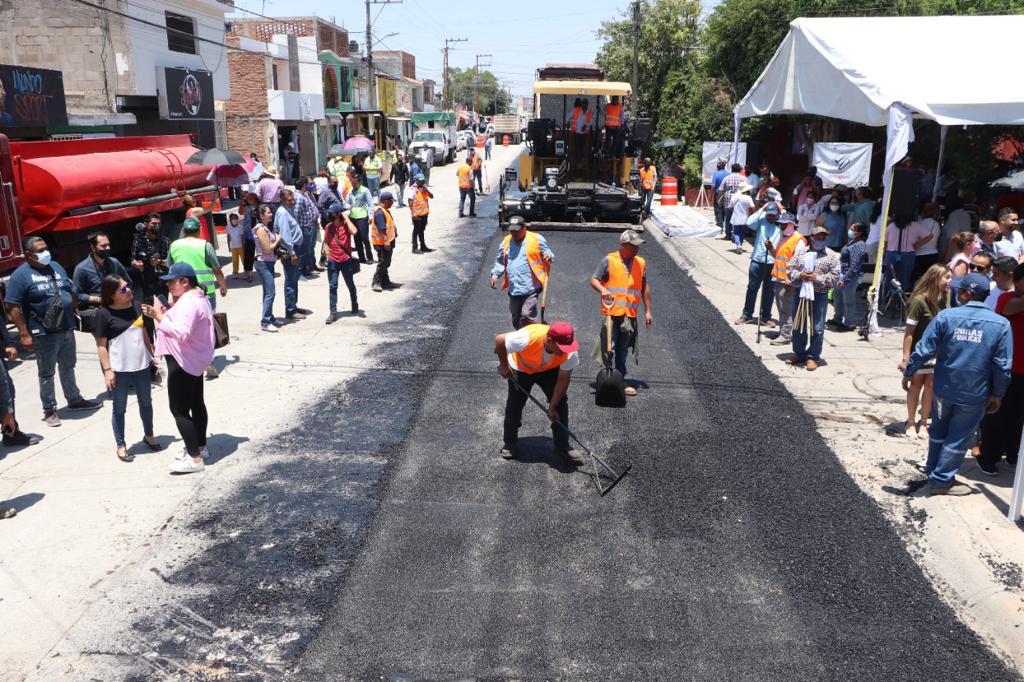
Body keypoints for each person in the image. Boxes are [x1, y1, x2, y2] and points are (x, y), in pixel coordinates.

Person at [903, 273, 1012, 494]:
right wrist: (998, 393)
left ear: (965, 294)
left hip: (944, 388)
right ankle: (941, 481)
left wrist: (909, 372)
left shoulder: (946, 317)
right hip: (975, 393)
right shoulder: (1001, 325)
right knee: (959, 437)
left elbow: (923, 349)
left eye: (959, 290)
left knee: (940, 431)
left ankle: (935, 472)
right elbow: (1002, 365)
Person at [6, 236, 101, 426]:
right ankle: (49, 409)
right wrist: (24, 334)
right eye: (40, 251)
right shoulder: (21, 275)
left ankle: (74, 400)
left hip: (66, 326)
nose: (45, 253)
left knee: (68, 366)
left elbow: (69, 289)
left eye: (46, 249)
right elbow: (13, 306)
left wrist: (73, 307)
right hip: (43, 332)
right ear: (28, 255)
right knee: (46, 373)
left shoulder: (55, 267)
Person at [142, 263, 216, 475]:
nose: (168, 285)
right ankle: (201, 447)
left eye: (172, 281)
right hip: (194, 359)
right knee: (196, 403)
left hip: (184, 361)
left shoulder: (189, 303)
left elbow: (182, 333)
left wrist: (158, 316)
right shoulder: (196, 298)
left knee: (179, 410)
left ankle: (194, 459)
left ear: (185, 282)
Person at [93, 275, 163, 462]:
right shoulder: (103, 314)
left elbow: (144, 333)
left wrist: (152, 354)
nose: (129, 290)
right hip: (119, 370)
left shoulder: (137, 307)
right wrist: (108, 371)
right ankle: (121, 445)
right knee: (119, 408)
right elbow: (101, 346)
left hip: (141, 366)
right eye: (124, 289)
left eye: (129, 286)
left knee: (146, 403)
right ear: (112, 295)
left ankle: (149, 436)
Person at [495, 321, 583, 463]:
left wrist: (552, 406)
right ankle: (510, 443)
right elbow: (500, 340)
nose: (565, 350)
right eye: (561, 347)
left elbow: (563, 380)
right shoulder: (525, 338)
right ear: (549, 340)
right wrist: (504, 366)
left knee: (560, 403)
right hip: (521, 367)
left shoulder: (569, 352)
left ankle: (562, 445)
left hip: (548, 370)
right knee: (515, 404)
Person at [589, 230, 653, 396]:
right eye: (634, 246)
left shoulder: (640, 262)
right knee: (609, 346)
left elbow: (644, 287)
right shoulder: (609, 260)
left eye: (638, 245)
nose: (637, 248)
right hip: (612, 312)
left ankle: (620, 379)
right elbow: (594, 279)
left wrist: (648, 311)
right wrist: (603, 290)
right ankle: (607, 379)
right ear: (623, 245)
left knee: (623, 349)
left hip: (629, 314)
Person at [980, 263, 1024, 474]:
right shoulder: (1007, 298)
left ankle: (1014, 454)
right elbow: (1010, 309)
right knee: (998, 415)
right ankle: (988, 457)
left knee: (1018, 418)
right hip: (1007, 370)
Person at [899, 264, 951, 438]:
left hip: (938, 353)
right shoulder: (918, 301)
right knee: (916, 386)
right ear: (936, 278)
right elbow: (909, 333)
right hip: (919, 353)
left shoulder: (945, 299)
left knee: (930, 387)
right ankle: (911, 422)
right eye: (947, 277)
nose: (950, 281)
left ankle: (923, 423)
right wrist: (906, 358)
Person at [786, 225, 841, 371]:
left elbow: (835, 276)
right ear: (812, 237)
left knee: (817, 327)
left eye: (824, 237)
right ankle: (799, 353)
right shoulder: (801, 252)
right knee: (799, 324)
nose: (821, 239)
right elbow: (789, 269)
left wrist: (817, 278)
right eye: (818, 237)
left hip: (819, 294)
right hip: (801, 293)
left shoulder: (831, 255)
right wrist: (800, 275)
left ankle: (813, 357)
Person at [490, 216, 554, 329]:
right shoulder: (506, 242)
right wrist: (495, 274)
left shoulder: (536, 239)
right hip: (514, 288)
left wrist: (548, 256)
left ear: (524, 228)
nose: (514, 233)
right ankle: (521, 336)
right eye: (512, 230)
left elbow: (548, 252)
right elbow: (500, 260)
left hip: (532, 287)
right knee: (516, 317)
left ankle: (529, 340)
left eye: (517, 230)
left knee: (527, 315)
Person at [735, 201, 783, 326]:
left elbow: (793, 224)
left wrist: (782, 209)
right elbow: (749, 222)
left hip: (773, 262)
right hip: (757, 260)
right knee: (752, 288)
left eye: (774, 215)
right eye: (770, 214)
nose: (772, 217)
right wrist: (762, 208)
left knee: (769, 291)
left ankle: (766, 317)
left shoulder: (781, 225)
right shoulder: (761, 221)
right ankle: (747, 315)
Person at [72, 231, 131, 331]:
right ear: (93, 247)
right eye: (103, 246)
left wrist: (123, 294)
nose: (107, 248)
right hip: (98, 311)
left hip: (119, 306)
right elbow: (76, 295)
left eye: (108, 245)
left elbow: (128, 282)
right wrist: (97, 299)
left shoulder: (114, 262)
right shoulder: (82, 269)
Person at [273, 189, 311, 320]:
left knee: (294, 279)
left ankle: (293, 306)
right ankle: (290, 310)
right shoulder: (282, 213)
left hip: (295, 248)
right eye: (290, 200)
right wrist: (292, 252)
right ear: (283, 200)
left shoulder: (288, 210)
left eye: (293, 199)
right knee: (290, 280)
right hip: (290, 250)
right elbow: (285, 235)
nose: (292, 201)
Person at [769, 212, 805, 346]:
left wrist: (792, 280)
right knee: (780, 307)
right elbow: (778, 256)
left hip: (788, 281)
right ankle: (782, 331)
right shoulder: (783, 237)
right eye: (780, 224)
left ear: (791, 225)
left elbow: (800, 263)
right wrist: (771, 249)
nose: (781, 226)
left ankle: (785, 335)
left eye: (784, 224)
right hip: (778, 278)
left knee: (787, 309)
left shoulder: (798, 240)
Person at [829, 221, 869, 332]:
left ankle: (849, 323)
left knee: (848, 300)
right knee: (837, 296)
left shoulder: (859, 245)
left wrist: (845, 279)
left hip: (850, 277)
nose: (850, 230)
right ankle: (838, 318)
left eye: (853, 229)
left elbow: (855, 266)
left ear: (859, 232)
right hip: (842, 274)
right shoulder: (852, 242)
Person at [324, 203, 360, 324]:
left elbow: (354, 231)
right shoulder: (328, 227)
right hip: (333, 261)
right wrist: (327, 254)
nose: (330, 215)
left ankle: (354, 303)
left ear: (338, 214)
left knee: (350, 284)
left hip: (345, 260)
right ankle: (333, 312)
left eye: (332, 213)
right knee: (333, 286)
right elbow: (326, 242)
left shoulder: (346, 225)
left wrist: (346, 218)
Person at [252, 204, 283, 332]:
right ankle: (265, 322)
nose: (271, 214)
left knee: (267, 292)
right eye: (268, 212)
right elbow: (268, 248)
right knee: (271, 292)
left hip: (268, 262)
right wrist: (278, 239)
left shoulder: (265, 228)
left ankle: (270, 317)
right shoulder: (260, 229)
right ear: (261, 215)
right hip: (263, 263)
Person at [370, 191, 397, 293]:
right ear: (385, 201)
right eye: (391, 201)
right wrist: (386, 241)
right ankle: (376, 282)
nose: (392, 203)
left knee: (386, 262)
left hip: (386, 242)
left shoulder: (385, 210)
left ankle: (385, 282)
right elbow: (382, 229)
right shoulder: (380, 213)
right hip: (382, 243)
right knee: (383, 262)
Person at [295, 179, 322, 278]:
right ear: (303, 185)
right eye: (308, 184)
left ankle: (310, 266)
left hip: (310, 225)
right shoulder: (298, 197)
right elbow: (296, 214)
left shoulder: (305, 194)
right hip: (304, 227)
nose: (309, 185)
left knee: (309, 248)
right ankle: (303, 270)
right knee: (304, 251)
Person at [347, 170, 375, 263]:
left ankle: (370, 257)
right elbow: (347, 202)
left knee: (364, 238)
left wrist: (371, 216)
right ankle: (361, 258)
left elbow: (371, 203)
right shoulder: (351, 192)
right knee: (357, 239)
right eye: (352, 183)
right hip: (353, 217)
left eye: (355, 183)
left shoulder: (365, 190)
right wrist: (347, 207)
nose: (353, 184)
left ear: (360, 182)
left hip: (362, 217)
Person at [912, 202, 942, 285]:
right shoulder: (936, 224)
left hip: (919, 254)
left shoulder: (919, 223)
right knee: (928, 281)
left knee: (917, 279)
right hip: (933, 253)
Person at [408, 173, 434, 254]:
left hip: (424, 213)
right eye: (421, 181)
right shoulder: (412, 189)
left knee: (422, 230)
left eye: (423, 180)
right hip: (417, 214)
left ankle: (423, 246)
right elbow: (410, 202)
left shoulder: (424, 188)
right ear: (417, 181)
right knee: (416, 230)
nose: (423, 182)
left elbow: (431, 196)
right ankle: (414, 247)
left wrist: (427, 190)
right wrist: (413, 213)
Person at [719, 163, 745, 241]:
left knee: (728, 219)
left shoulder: (726, 178)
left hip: (728, 201)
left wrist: (718, 199)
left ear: (731, 169)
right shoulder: (743, 178)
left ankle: (728, 236)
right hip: (739, 201)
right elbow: (746, 190)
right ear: (740, 170)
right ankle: (735, 236)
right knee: (737, 219)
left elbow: (721, 190)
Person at [729, 183, 755, 253]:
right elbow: (752, 207)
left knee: (736, 232)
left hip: (736, 217)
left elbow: (730, 206)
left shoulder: (734, 196)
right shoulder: (748, 198)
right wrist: (751, 215)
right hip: (745, 217)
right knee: (742, 232)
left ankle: (738, 245)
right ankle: (740, 244)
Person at [239, 195, 257, 281]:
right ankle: (248, 273)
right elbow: (240, 212)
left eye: (251, 197)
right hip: (249, 233)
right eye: (248, 198)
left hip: (258, 232)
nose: (249, 199)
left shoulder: (258, 206)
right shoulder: (245, 206)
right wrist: (242, 200)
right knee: (248, 254)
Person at [571, 98, 592, 163]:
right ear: (581, 104)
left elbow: (591, 122)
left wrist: (586, 125)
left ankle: (580, 162)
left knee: (582, 148)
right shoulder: (576, 110)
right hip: (576, 132)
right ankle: (578, 162)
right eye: (584, 103)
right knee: (577, 148)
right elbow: (569, 117)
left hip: (584, 133)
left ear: (587, 104)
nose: (585, 105)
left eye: (586, 103)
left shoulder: (589, 112)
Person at [225, 213, 245, 279]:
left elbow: (242, 237)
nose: (235, 220)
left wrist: (244, 246)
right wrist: (228, 247)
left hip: (240, 246)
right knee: (235, 260)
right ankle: (235, 273)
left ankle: (246, 272)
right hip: (233, 246)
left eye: (236, 218)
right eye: (233, 218)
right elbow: (228, 237)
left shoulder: (240, 227)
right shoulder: (228, 227)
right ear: (230, 220)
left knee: (244, 260)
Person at [711, 160, 729, 229]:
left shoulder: (716, 174)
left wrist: (710, 196)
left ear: (718, 167)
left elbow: (713, 186)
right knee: (724, 208)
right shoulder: (728, 174)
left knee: (718, 209)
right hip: (726, 194)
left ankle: (720, 224)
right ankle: (723, 222)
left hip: (718, 194)